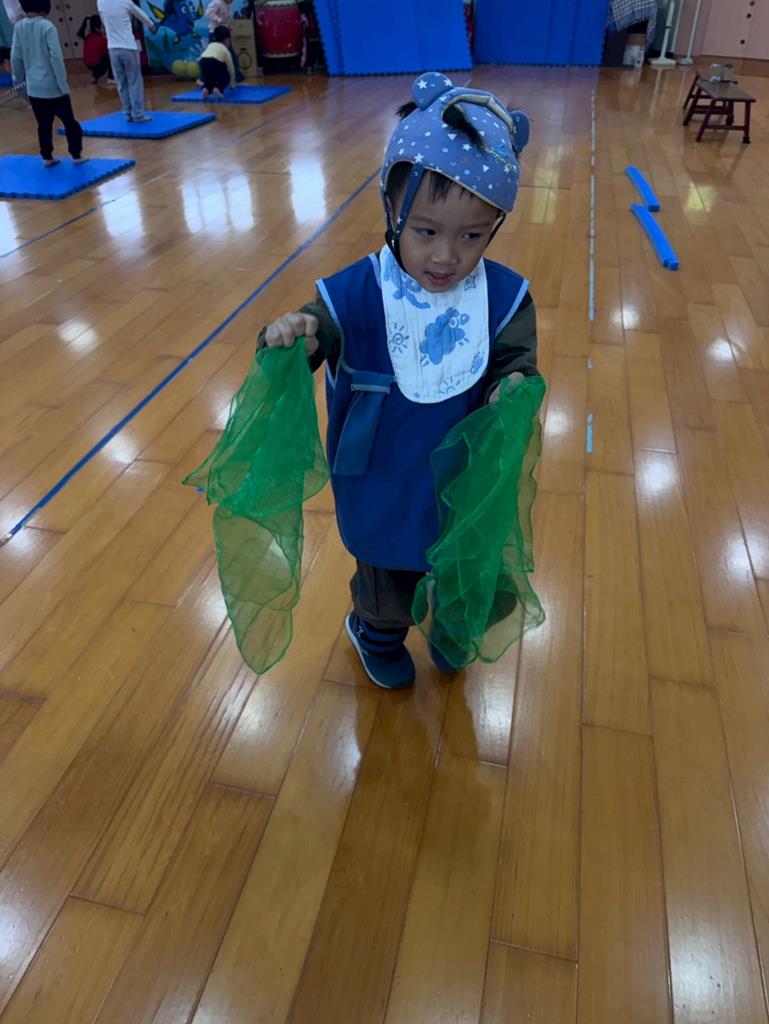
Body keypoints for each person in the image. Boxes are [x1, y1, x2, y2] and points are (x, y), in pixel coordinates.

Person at [260, 72, 539, 690]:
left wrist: (514, 384)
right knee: (386, 581)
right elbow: (315, 335)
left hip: (461, 478)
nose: (446, 256)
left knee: (465, 566)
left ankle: (452, 627)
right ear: (393, 211)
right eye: (426, 231)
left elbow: (515, 359)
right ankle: (376, 633)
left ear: (495, 225)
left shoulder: (503, 298)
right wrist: (296, 336)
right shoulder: (356, 291)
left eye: (472, 236)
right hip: (381, 476)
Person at [11, 0, 85, 166]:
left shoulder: (18, 27)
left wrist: (19, 83)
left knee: (43, 125)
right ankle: (76, 155)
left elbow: (15, 57)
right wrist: (63, 85)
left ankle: (47, 157)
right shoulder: (47, 26)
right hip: (53, 88)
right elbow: (56, 58)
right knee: (70, 123)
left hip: (34, 89)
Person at [97, 0, 156, 122]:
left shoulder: (101, 2)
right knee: (134, 81)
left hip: (112, 48)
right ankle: (138, 114)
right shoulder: (125, 1)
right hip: (128, 47)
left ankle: (127, 112)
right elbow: (141, 15)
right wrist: (151, 26)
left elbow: (103, 22)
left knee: (121, 83)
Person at [204, 0, 243, 81]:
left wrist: (227, 26)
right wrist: (218, 19)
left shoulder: (228, 5)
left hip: (224, 32)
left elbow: (226, 18)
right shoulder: (217, 2)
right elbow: (208, 13)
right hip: (215, 33)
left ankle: (236, 76)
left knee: (231, 54)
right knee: (212, 56)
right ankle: (204, 78)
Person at [198, 24, 234, 98]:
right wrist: (232, 84)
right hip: (214, 61)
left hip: (202, 61)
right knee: (225, 76)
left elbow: (204, 56)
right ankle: (218, 89)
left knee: (210, 79)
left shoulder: (211, 45)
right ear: (226, 40)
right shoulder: (225, 49)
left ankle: (206, 89)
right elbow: (231, 68)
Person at [77, 14, 112, 84]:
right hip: (96, 63)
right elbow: (107, 52)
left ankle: (95, 76)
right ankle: (111, 78)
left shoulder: (88, 37)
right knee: (111, 58)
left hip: (87, 63)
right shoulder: (100, 39)